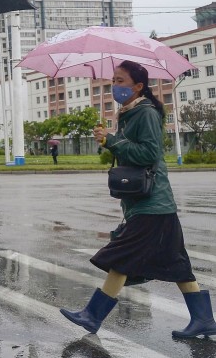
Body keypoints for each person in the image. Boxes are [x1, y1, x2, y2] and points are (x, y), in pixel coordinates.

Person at [60, 60, 216, 338]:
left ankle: (92, 315)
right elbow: (132, 152)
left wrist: (113, 141)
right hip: (151, 202)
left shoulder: (145, 113)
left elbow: (147, 154)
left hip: (152, 202)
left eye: (120, 81)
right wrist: (110, 140)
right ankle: (203, 319)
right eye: (114, 81)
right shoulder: (131, 112)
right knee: (176, 263)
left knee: (123, 255)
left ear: (138, 86)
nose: (115, 86)